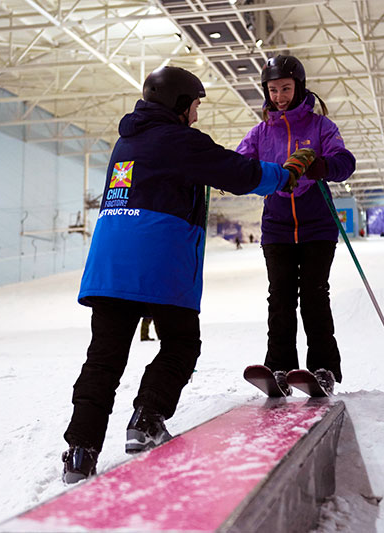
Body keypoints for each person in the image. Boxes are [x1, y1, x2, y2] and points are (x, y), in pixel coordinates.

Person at [61, 66, 316, 484]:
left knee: (104, 359)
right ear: (179, 104)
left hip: (109, 265)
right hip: (159, 259)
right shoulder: (178, 140)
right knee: (182, 343)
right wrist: (284, 176)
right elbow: (237, 172)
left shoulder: (126, 141)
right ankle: (147, 418)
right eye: (195, 105)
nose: (196, 114)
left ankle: (79, 452)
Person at [236, 55, 356, 396]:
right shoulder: (260, 132)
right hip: (277, 225)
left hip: (317, 224)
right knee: (281, 297)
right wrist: (219, 173)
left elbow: (345, 162)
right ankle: (278, 366)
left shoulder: (320, 127)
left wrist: (321, 166)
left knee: (314, 295)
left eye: (286, 88)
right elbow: (239, 165)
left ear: (299, 87)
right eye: (273, 90)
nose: (279, 96)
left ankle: (323, 368)